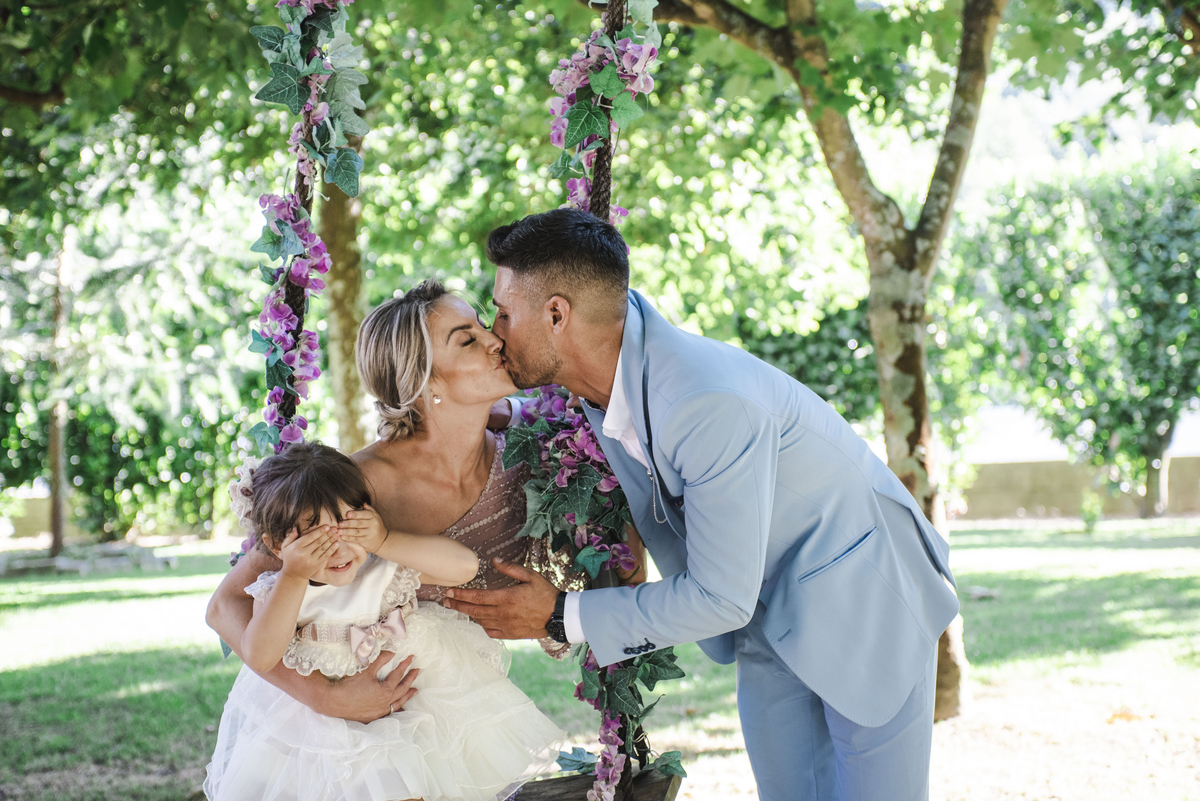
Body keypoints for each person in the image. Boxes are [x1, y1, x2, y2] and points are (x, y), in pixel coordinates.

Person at [442, 208, 961, 801]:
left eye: (504, 313)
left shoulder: (705, 401)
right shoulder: (604, 365)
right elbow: (578, 419)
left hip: (867, 597)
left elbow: (719, 596)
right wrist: (480, 409)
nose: (495, 332)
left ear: (557, 315)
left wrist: (561, 614)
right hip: (765, 614)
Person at [206, 281, 592, 721]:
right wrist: (327, 698)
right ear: (423, 381)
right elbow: (225, 605)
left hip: (458, 699)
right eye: (467, 339)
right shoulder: (354, 487)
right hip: (363, 719)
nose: (495, 340)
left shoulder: (532, 450)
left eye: (483, 326)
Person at [204, 441, 565, 801]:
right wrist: (294, 575)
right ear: (275, 545)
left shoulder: (383, 567)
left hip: (413, 709)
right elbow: (260, 656)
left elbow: (464, 567)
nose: (338, 549)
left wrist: (385, 539)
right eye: (314, 538)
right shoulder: (278, 591)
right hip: (320, 732)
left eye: (348, 527)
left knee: (414, 785)